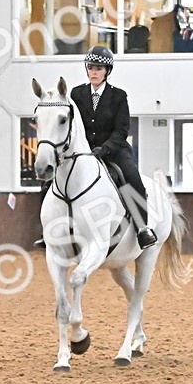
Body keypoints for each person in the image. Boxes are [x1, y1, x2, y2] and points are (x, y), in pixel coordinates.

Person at [38, 46, 157, 250]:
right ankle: (47, 231)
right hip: (82, 152)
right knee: (50, 180)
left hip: (114, 151)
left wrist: (104, 149)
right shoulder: (77, 94)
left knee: (131, 177)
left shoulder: (118, 96)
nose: (94, 72)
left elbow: (121, 130)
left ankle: (142, 228)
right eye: (91, 68)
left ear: (107, 71)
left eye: (99, 69)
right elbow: (72, 125)